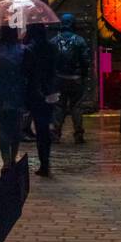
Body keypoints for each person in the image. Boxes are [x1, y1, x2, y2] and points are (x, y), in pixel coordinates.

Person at [22, 22, 60, 178]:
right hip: (49, 92)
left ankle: (44, 162)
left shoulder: (29, 50)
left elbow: (25, 71)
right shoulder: (52, 47)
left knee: (38, 126)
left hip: (34, 94)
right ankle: (46, 161)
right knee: (44, 128)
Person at [0, 24, 26, 168]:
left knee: (3, 128)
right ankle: (13, 158)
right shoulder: (22, 50)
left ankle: (5, 162)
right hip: (17, 92)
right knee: (16, 128)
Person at [51, 12, 91, 144]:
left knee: (58, 106)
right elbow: (85, 61)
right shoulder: (79, 40)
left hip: (58, 78)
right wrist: (83, 75)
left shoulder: (54, 41)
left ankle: (56, 134)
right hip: (75, 79)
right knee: (76, 107)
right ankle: (78, 134)